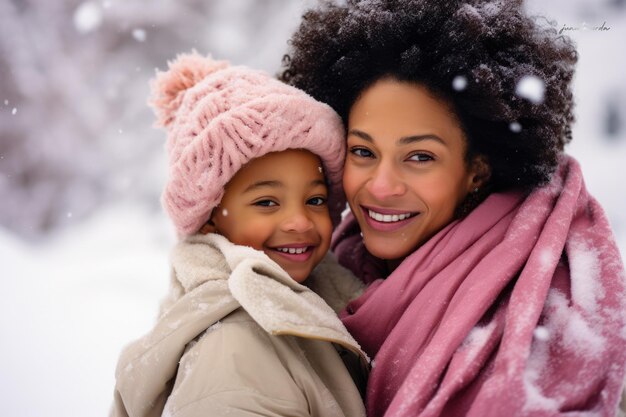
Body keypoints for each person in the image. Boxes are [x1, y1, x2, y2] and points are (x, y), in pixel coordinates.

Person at [280, 0, 626, 416]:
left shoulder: (551, 310)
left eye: (420, 157)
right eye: (363, 151)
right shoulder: (330, 264)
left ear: (477, 170)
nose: (382, 186)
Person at [110, 52, 368, 417]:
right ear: (210, 219)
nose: (299, 221)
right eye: (266, 202)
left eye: (314, 199)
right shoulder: (233, 350)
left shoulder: (314, 298)